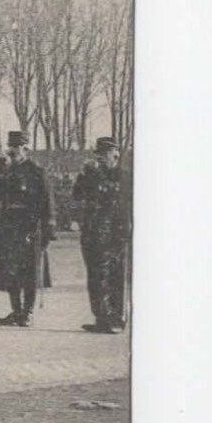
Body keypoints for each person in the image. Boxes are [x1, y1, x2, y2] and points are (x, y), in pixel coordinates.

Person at [0, 130, 55, 327]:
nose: (12, 152)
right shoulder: (6, 171)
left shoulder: (36, 172)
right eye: (11, 148)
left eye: (16, 148)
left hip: (29, 227)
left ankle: (28, 312)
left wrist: (48, 228)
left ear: (26, 149)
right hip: (8, 227)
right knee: (10, 270)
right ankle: (15, 311)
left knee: (30, 271)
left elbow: (47, 202)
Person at [74, 136, 131, 334]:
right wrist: (83, 175)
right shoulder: (91, 174)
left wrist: (126, 230)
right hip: (92, 230)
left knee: (115, 276)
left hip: (115, 232)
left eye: (104, 154)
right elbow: (77, 195)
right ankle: (100, 316)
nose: (100, 158)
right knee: (95, 275)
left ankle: (116, 318)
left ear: (115, 154)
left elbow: (118, 199)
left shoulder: (123, 176)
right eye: (98, 154)